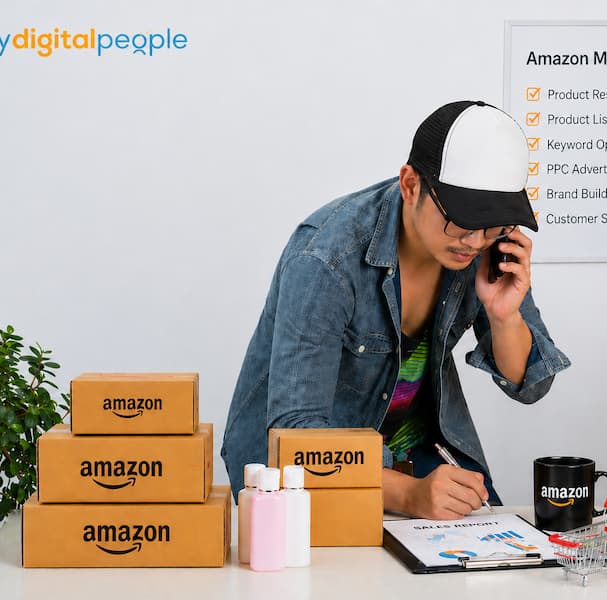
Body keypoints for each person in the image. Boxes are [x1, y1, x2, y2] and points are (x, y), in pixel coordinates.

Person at [221, 100, 570, 520]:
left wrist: (504, 315)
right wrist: (408, 495)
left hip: (421, 452)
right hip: (307, 469)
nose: (475, 241)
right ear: (410, 185)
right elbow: (295, 434)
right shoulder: (326, 259)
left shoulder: (488, 247)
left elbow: (530, 386)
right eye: (461, 220)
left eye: (492, 223)